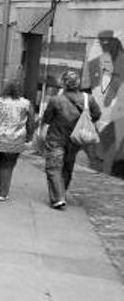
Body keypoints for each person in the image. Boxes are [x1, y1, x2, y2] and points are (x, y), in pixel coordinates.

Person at [42, 70, 101, 209]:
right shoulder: (88, 99)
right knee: (67, 167)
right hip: (76, 139)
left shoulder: (56, 100)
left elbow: (47, 119)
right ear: (78, 83)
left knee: (54, 167)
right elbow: (97, 114)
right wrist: (84, 121)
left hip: (56, 138)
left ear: (63, 83)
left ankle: (58, 197)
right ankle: (61, 193)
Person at [0, 80, 35, 201]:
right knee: (7, 166)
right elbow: (31, 123)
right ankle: (2, 193)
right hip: (14, 140)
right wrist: (29, 138)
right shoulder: (26, 104)